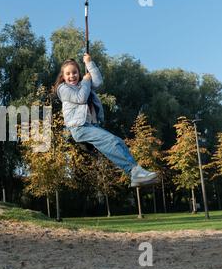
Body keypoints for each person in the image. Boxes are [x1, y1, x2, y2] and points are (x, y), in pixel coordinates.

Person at [53, 54, 158, 187]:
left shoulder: (83, 84)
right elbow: (80, 98)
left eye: (74, 72)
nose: (72, 76)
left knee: (117, 142)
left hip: (91, 126)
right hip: (79, 127)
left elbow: (98, 82)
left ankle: (135, 175)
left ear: (79, 73)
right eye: (68, 74)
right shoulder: (63, 88)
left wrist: (89, 63)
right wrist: (85, 81)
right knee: (112, 141)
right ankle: (135, 172)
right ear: (63, 76)